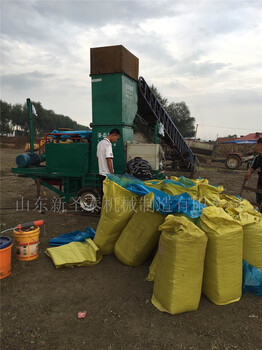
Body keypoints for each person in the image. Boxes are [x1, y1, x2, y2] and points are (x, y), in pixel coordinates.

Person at [97, 129, 121, 202]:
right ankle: (107, 211)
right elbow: (109, 159)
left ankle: (102, 211)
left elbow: (98, 158)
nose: (116, 140)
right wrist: (111, 175)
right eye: (117, 138)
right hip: (107, 175)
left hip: (101, 173)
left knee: (103, 194)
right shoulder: (108, 145)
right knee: (108, 195)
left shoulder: (100, 143)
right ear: (114, 135)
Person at [245, 137, 262, 212]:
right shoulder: (258, 157)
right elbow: (253, 167)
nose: (254, 147)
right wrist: (249, 171)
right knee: (259, 194)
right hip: (261, 180)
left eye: (256, 144)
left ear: (260, 145)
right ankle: (259, 208)